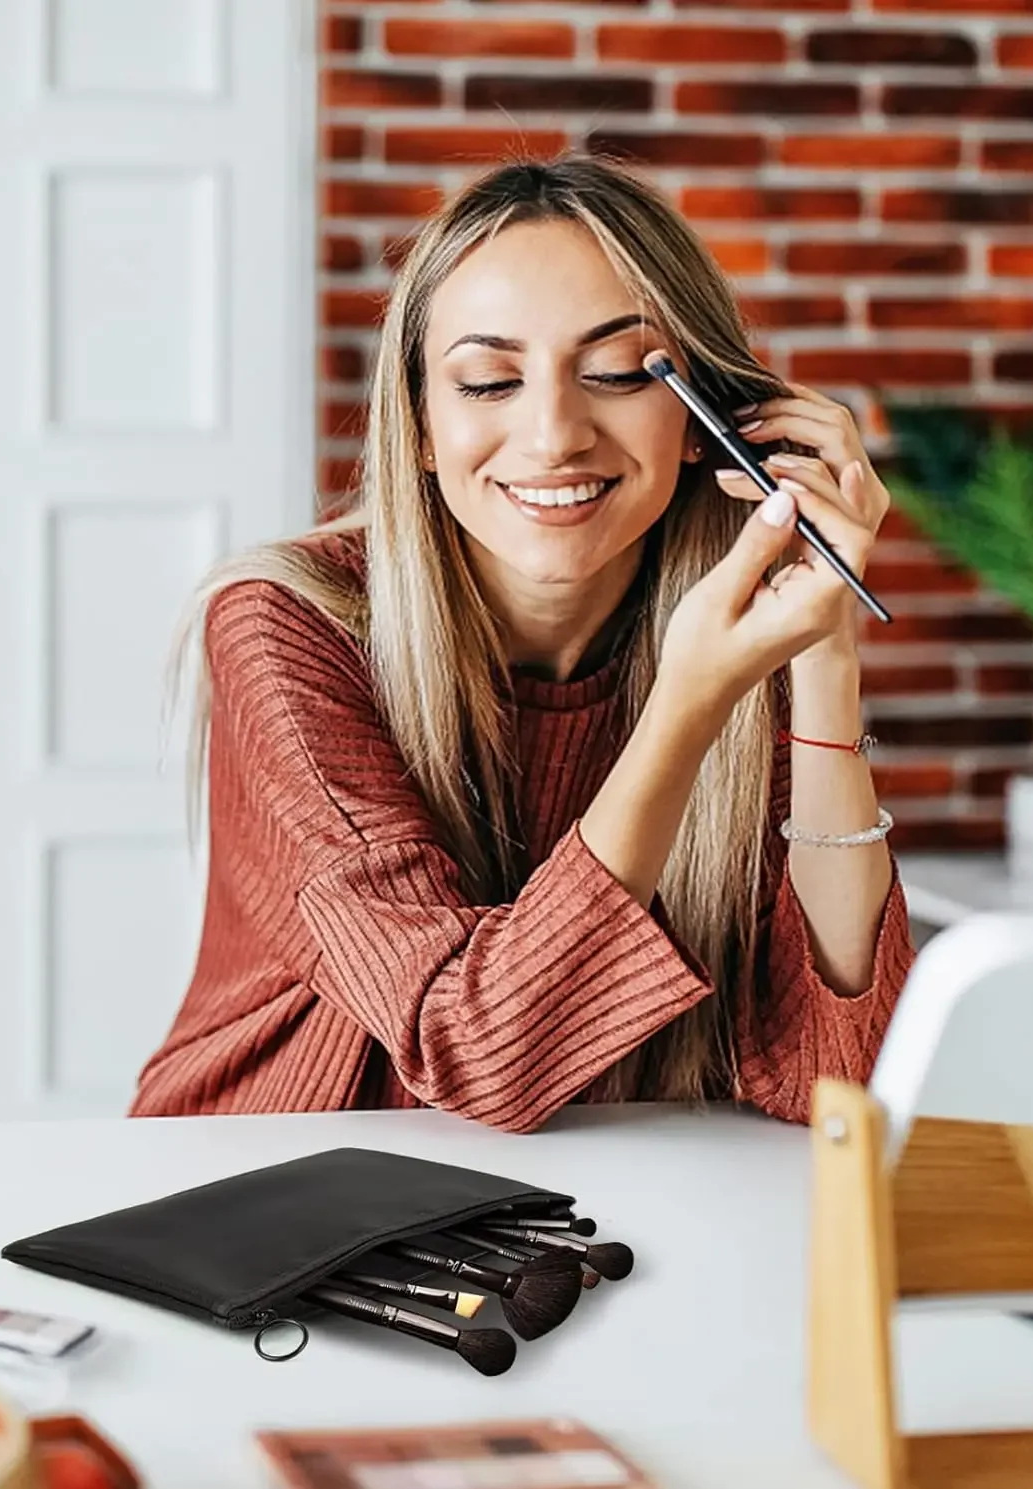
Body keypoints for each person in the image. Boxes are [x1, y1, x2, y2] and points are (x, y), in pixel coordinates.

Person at [132, 155, 913, 1133]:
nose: (552, 436)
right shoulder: (289, 625)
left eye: (621, 373)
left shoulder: (742, 634)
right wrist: (686, 710)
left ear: (707, 421)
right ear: (418, 425)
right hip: (269, 1195)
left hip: (593, 1203)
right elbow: (473, 1051)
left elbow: (841, 1083)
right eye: (490, 381)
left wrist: (826, 654)